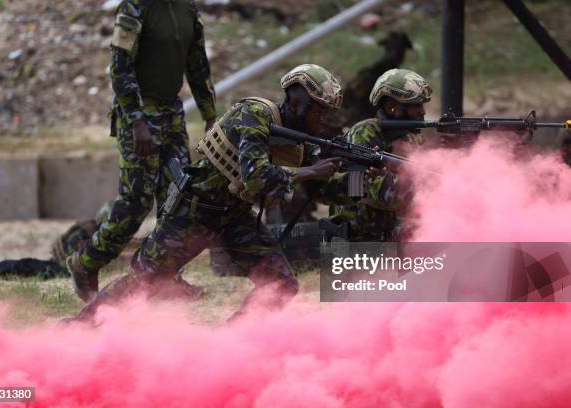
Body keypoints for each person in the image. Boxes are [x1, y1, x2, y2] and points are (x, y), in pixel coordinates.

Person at [72, 64, 366, 321]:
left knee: (280, 284)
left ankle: (230, 346)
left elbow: (325, 192)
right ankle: (78, 328)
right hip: (195, 210)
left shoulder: (300, 143)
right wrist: (310, 171)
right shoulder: (255, 114)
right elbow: (255, 178)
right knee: (146, 281)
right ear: (299, 102)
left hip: (234, 217)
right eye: (319, 111)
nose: (323, 119)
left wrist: (357, 175)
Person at [66, 0, 217, 302]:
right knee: (136, 201)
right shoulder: (134, 8)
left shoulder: (187, 10)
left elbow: (197, 64)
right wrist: (136, 120)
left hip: (172, 114)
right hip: (139, 116)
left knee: (178, 198)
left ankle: (166, 278)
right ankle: (86, 262)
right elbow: (119, 66)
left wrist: (210, 113)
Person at [329, 68, 432, 242]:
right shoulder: (364, 133)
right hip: (356, 245)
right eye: (415, 105)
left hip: (390, 240)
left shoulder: (409, 138)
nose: (422, 112)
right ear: (393, 107)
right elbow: (373, 193)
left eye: (422, 104)